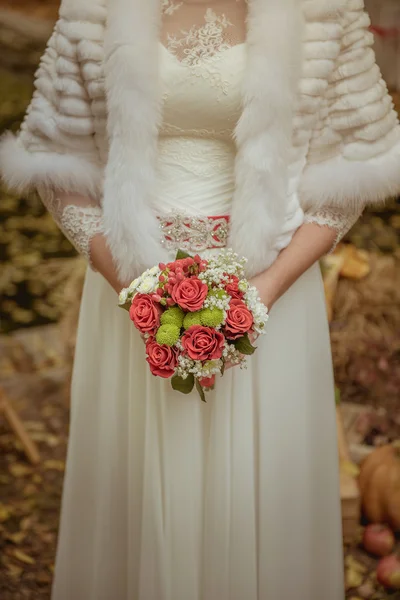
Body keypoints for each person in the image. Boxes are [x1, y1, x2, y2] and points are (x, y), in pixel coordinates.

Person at [1, 0, 400, 598]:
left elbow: (352, 170)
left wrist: (258, 296)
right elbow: (60, 164)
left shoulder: (324, 10)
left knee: (254, 493)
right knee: (144, 489)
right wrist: (142, 290)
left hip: (269, 294)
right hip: (134, 293)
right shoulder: (94, 8)